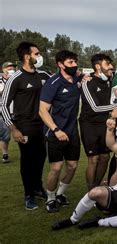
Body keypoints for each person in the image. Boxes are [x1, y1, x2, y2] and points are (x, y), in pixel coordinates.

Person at [1, 42, 51, 210]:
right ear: (27, 56)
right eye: (37, 54)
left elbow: (60, 82)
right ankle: (28, 194)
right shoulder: (16, 78)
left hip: (43, 125)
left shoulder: (43, 74)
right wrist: (13, 128)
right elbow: (3, 105)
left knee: (40, 157)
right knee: (28, 161)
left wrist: (84, 78)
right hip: (24, 125)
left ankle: (37, 187)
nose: (40, 56)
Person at [39, 50, 82, 213]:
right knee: (56, 168)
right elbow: (42, 111)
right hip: (55, 133)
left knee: (72, 166)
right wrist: (56, 130)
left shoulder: (77, 79)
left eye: (74, 62)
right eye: (70, 63)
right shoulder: (53, 83)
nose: (74, 65)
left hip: (72, 132)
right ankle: (50, 198)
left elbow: (85, 77)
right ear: (60, 64)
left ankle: (60, 194)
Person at [80, 54, 116, 190]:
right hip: (89, 124)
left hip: (104, 124)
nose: (111, 67)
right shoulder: (87, 82)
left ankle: (97, 187)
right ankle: (90, 193)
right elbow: (95, 108)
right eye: (108, 64)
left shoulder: (110, 79)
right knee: (93, 160)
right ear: (98, 66)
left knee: (105, 158)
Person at [0, 62, 16, 163]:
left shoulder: (18, 79)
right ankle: (5, 154)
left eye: (13, 67)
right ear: (3, 70)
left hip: (18, 111)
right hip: (3, 112)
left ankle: (28, 153)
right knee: (5, 136)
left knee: (25, 133)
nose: (11, 69)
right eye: (8, 67)